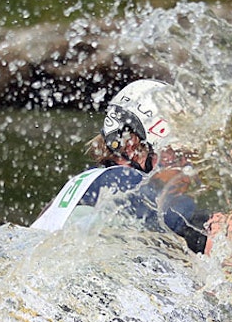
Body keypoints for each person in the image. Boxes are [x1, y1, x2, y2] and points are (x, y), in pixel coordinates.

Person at [30, 79, 210, 253]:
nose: (189, 169)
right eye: (179, 154)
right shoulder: (123, 181)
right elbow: (204, 234)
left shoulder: (90, 183)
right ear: (131, 145)